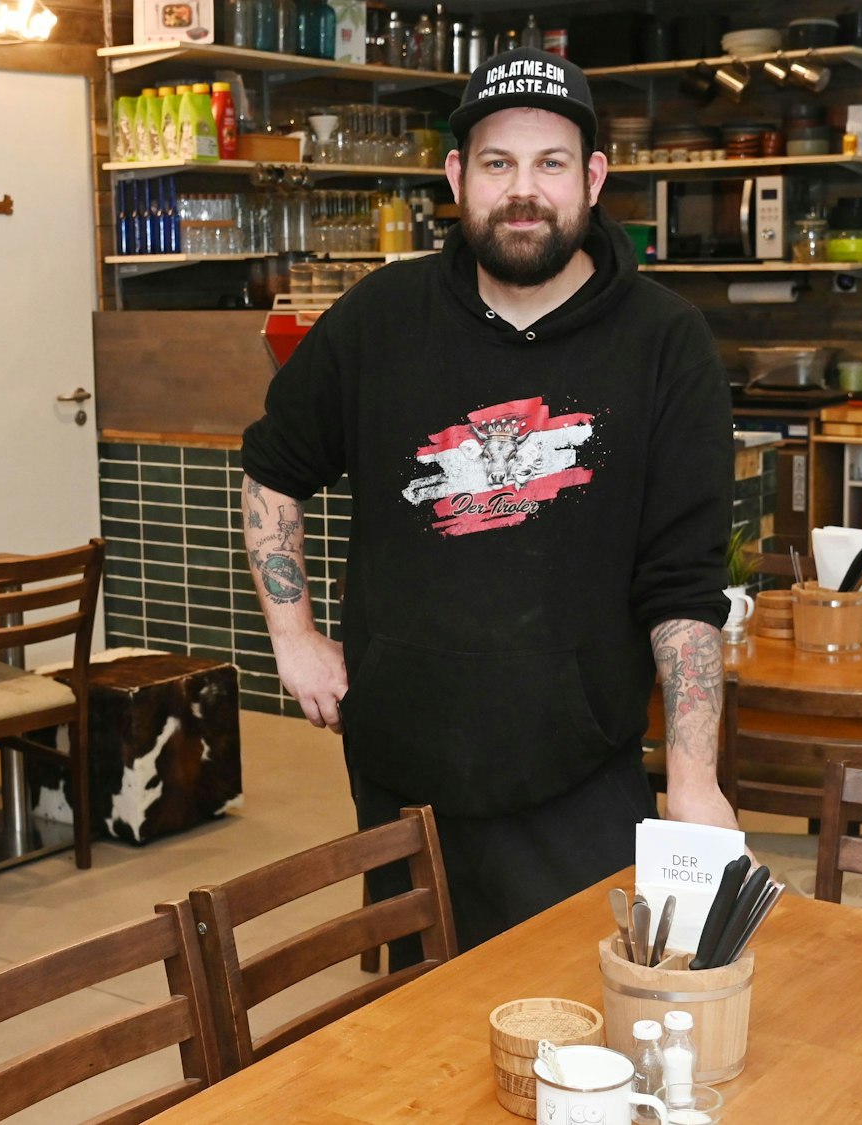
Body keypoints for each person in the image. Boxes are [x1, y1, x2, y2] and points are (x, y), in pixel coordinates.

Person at [238, 47, 739, 962]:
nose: (523, 190)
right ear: (456, 177)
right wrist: (293, 636)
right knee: (417, 1029)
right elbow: (273, 466)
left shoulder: (666, 342)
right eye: (497, 163)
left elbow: (685, 585)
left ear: (593, 178)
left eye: (551, 163)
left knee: (587, 1020)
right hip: (404, 784)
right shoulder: (380, 317)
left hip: (578, 778)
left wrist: (695, 780)